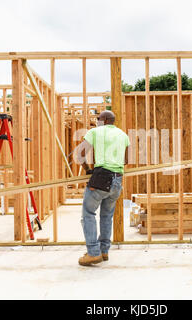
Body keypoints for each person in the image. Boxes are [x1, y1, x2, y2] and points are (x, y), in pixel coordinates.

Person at [76, 110, 130, 266]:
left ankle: (93, 253)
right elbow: (126, 160)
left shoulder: (95, 131)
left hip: (101, 178)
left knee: (88, 214)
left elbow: (80, 154)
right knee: (106, 216)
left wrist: (87, 169)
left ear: (105, 120)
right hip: (117, 180)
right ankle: (104, 251)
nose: (97, 121)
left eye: (98, 119)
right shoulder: (123, 135)